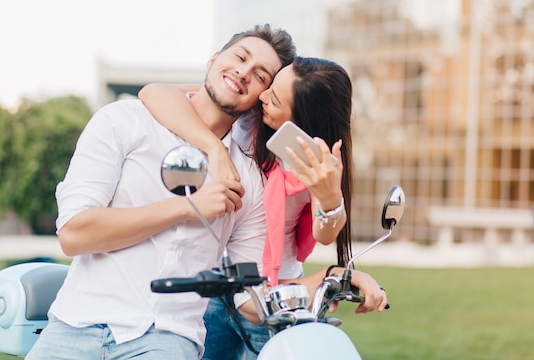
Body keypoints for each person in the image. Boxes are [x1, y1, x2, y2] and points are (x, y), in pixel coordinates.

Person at [24, 24, 296, 360]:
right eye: (240, 57)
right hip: (74, 323)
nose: (243, 72)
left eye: (260, 76)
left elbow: (248, 295)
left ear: (261, 99)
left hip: (166, 337)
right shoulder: (123, 121)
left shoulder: (249, 182)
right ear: (213, 59)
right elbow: (74, 233)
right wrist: (188, 208)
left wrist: (327, 283)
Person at [139, 56, 388, 360]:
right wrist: (214, 148)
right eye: (271, 87)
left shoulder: (320, 165)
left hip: (270, 303)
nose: (263, 96)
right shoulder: (248, 119)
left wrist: (329, 196)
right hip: (215, 290)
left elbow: (325, 234)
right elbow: (154, 93)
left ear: (299, 120)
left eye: (275, 98)